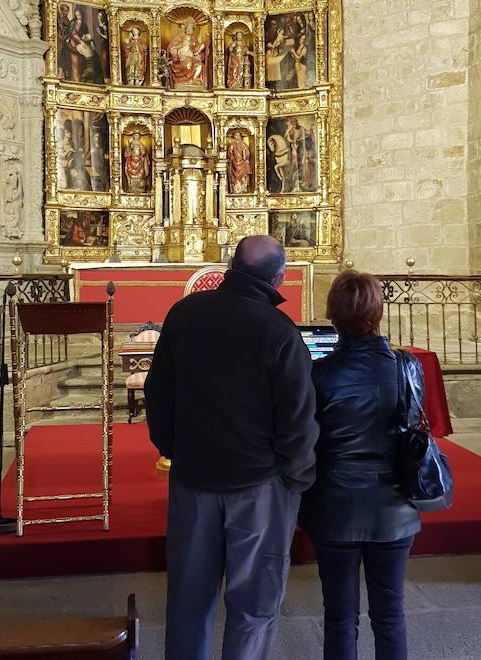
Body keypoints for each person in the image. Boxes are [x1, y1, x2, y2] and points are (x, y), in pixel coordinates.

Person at [144, 235, 318, 660]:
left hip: (193, 480)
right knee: (254, 606)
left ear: (229, 267)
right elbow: (297, 420)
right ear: (279, 278)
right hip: (259, 487)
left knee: (188, 600)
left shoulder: (184, 314)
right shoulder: (280, 331)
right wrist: (296, 479)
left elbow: (158, 393)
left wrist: (174, 449)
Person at [299, 270, 425, 660]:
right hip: (394, 505)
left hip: (335, 505)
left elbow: (306, 440)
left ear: (333, 315)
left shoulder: (320, 372)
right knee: (390, 614)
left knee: (339, 616)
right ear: (378, 312)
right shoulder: (407, 367)